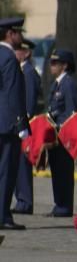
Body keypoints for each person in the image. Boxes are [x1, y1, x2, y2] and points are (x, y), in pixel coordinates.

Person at [0, 18, 28, 230]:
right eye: (18, 32)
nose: (21, 36)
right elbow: (12, 94)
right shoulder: (9, 57)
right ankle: (2, 216)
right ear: (10, 34)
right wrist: (20, 124)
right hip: (7, 125)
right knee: (6, 172)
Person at [46, 49, 77, 218]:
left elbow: (72, 112)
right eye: (51, 62)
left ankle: (65, 205)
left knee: (64, 172)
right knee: (56, 171)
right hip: (54, 135)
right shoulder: (57, 84)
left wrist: (60, 127)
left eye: (55, 63)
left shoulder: (68, 84)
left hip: (63, 136)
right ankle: (59, 203)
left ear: (64, 65)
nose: (51, 66)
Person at [13, 38, 41, 216]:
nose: (15, 53)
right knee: (18, 165)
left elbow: (29, 102)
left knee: (23, 164)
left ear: (26, 52)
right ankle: (21, 200)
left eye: (18, 50)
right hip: (19, 123)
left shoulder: (28, 72)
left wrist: (25, 121)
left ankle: (25, 201)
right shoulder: (21, 70)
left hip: (25, 124)